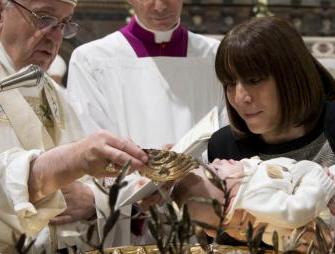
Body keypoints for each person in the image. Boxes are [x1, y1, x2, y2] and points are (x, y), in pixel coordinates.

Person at [0, 0, 148, 252]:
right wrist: (65, 165)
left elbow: (87, 184)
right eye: (44, 18)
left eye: (64, 25)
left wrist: (94, 201)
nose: (55, 37)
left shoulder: (52, 91)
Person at [66, 0, 227, 247]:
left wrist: (186, 179)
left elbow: (227, 143)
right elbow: (91, 149)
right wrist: (143, 185)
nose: (160, 6)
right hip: (126, 221)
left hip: (200, 215)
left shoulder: (216, 57)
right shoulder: (92, 59)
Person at [208, 16, 335, 166]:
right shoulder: (224, 148)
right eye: (229, 83)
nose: (239, 99)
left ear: (293, 76)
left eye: (254, 80)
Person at [172, 157, 335, 250]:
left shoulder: (246, 184)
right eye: (217, 170)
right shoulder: (252, 197)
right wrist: (319, 182)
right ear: (229, 204)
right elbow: (294, 212)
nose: (218, 160)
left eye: (210, 163)